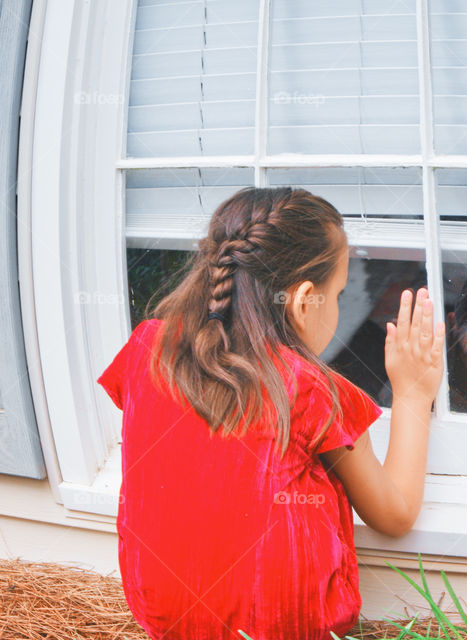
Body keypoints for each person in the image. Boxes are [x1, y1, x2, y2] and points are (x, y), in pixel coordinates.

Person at [97, 187, 444, 640]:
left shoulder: (147, 347)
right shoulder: (312, 390)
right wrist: (413, 393)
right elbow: (394, 515)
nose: (339, 306)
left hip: (163, 619)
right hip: (290, 629)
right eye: (338, 294)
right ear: (303, 302)